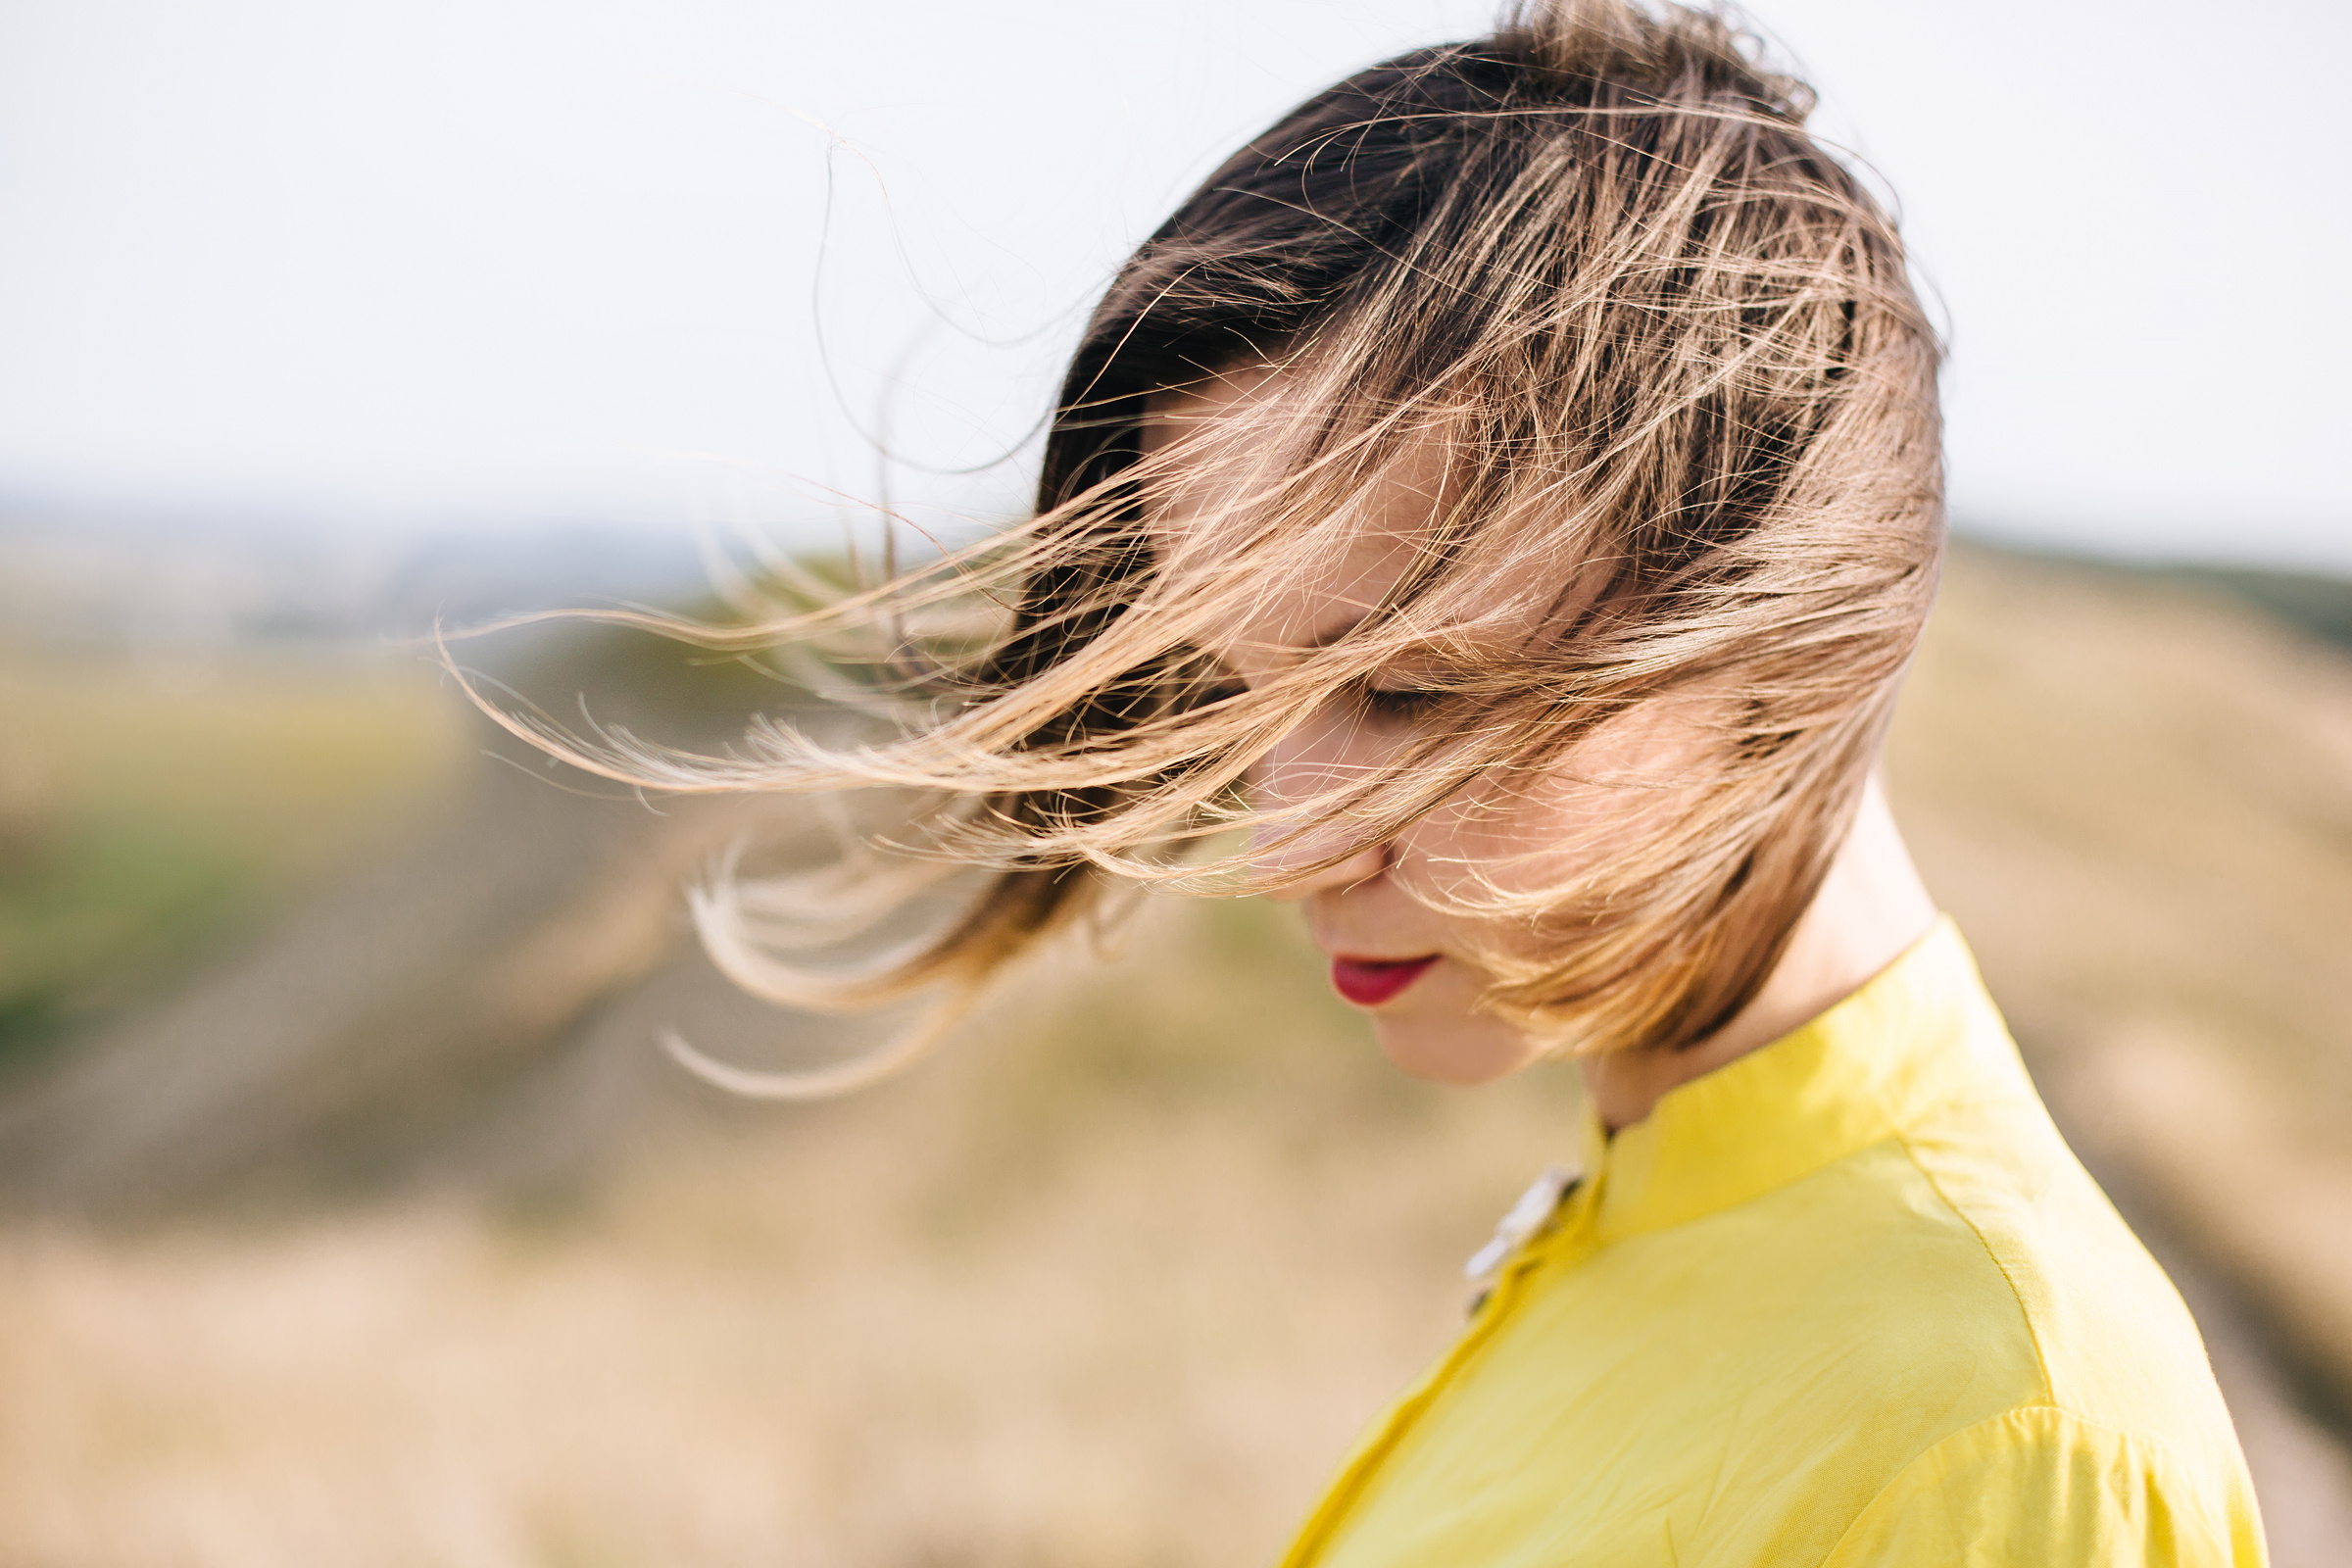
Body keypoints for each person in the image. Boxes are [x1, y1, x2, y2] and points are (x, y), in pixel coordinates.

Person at [498, 0, 2269, 1559]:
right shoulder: (1676, 1230)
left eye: (1408, 694)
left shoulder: (2006, 1434)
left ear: (1779, 646)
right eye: (1236, 689)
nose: (1284, 846)